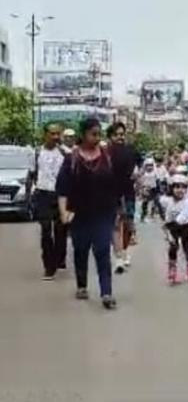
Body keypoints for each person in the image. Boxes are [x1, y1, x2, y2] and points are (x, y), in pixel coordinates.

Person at [56, 118, 124, 309]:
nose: (97, 138)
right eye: (93, 134)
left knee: (102, 250)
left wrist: (119, 210)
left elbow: (116, 186)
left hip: (103, 213)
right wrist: (63, 212)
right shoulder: (72, 159)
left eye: (98, 134)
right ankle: (82, 285)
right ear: (84, 134)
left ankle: (106, 292)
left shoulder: (107, 157)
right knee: (80, 250)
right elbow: (62, 188)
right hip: (79, 214)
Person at [32, 122, 68, 280]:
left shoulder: (64, 152)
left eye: (58, 134)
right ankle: (49, 266)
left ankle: (60, 258)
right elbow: (32, 173)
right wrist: (30, 194)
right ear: (45, 134)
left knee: (60, 231)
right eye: (52, 134)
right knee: (46, 230)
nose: (55, 137)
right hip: (43, 194)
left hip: (61, 195)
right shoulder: (37, 152)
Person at [106, 122, 137, 274]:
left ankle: (124, 250)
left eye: (122, 134)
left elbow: (138, 169)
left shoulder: (130, 150)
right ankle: (118, 257)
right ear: (110, 136)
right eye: (117, 135)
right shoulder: (105, 152)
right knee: (115, 225)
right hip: (111, 193)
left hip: (129, 192)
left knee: (129, 224)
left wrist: (138, 176)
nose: (120, 137)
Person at [160, 174, 188, 285]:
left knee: (187, 246)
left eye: (183, 187)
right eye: (177, 187)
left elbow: (183, 216)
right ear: (171, 188)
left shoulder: (187, 203)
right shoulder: (167, 200)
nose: (180, 190)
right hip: (171, 226)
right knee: (173, 247)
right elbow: (162, 205)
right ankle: (172, 269)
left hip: (184, 226)